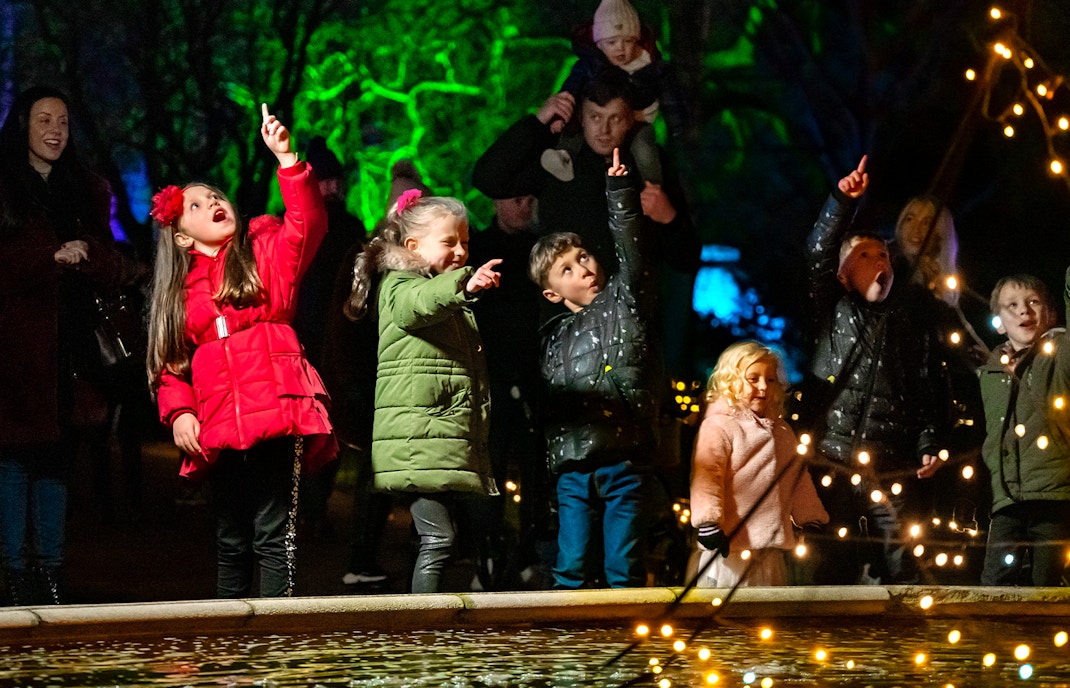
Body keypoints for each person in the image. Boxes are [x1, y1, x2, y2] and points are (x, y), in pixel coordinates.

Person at [146, 104, 336, 599]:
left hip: (278, 407)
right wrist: (181, 412)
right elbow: (170, 366)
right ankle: (228, 645)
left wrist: (287, 158)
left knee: (275, 536)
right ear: (183, 236)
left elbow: (308, 221)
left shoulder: (265, 247)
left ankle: (275, 648)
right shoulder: (178, 296)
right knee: (231, 539)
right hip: (220, 423)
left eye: (215, 195)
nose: (213, 201)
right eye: (196, 204)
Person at [0, 86, 124, 605]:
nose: (55, 130)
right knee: (12, 461)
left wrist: (87, 252)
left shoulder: (87, 189)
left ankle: (49, 572)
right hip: (15, 350)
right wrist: (46, 260)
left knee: (55, 461)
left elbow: (116, 263)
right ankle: (12, 572)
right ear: (22, 126)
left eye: (64, 122)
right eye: (44, 119)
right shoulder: (3, 186)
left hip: (70, 354)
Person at [343, 188, 501, 594]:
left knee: (442, 539)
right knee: (438, 539)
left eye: (465, 242)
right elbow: (420, 304)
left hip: (435, 440)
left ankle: (429, 624)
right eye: (449, 242)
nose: (461, 252)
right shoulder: (403, 284)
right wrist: (464, 286)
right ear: (413, 246)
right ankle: (423, 632)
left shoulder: (437, 288)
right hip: (418, 440)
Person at [797, 155, 945, 585]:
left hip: (890, 464)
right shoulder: (831, 309)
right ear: (842, 275)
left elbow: (927, 388)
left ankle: (908, 644)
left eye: (883, 254)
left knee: (906, 561)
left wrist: (929, 441)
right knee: (829, 562)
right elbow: (818, 250)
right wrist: (842, 201)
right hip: (832, 460)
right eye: (864, 255)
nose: (879, 260)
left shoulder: (911, 322)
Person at [529, 148, 656, 589]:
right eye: (566, 269)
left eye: (582, 257)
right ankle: (571, 644)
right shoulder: (551, 338)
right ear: (551, 293)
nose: (583, 269)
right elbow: (549, 405)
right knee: (572, 564)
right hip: (573, 463)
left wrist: (620, 192)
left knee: (624, 565)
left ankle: (627, 642)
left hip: (622, 452)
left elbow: (631, 248)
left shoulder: (623, 303)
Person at [472, 68, 697, 280]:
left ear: (629, 120)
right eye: (595, 117)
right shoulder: (558, 162)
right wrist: (538, 122)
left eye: (614, 118)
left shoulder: (649, 167)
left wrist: (670, 220)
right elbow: (488, 179)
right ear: (581, 117)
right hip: (566, 314)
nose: (604, 130)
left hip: (630, 314)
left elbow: (685, 260)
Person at [464, 194, 553, 590]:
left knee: (532, 468)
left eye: (531, 199)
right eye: (517, 199)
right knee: (490, 469)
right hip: (491, 375)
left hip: (530, 374)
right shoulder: (481, 248)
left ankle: (526, 553)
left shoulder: (537, 248)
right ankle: (487, 555)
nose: (526, 207)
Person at [690, 341, 828, 588]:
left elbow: (797, 479)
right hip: (729, 552)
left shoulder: (782, 432)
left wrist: (810, 518)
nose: (763, 387)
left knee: (766, 615)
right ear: (732, 381)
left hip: (769, 552)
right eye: (753, 379)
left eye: (770, 380)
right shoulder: (719, 426)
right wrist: (708, 521)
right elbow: (707, 476)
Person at [292, 136, 368, 545]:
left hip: (327, 342)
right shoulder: (308, 224)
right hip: (308, 341)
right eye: (325, 181)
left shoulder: (343, 227)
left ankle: (311, 511)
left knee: (323, 433)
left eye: (335, 180)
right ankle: (308, 511)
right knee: (315, 432)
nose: (332, 188)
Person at [978, 272, 1070, 586]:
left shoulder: (1059, 354)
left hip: (1053, 498)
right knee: (994, 585)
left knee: (1048, 586)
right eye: (1012, 305)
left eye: (1033, 303)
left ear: (1052, 313)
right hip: (1007, 501)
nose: (1024, 311)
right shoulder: (991, 371)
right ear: (999, 323)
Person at [555, 0, 688, 185]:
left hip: (638, 119)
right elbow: (570, 90)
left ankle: (653, 186)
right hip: (596, 122)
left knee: (645, 148)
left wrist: (678, 125)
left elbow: (670, 96)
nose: (620, 48)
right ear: (599, 44)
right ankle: (561, 161)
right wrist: (560, 116)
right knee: (573, 133)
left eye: (628, 41)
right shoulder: (590, 65)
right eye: (612, 42)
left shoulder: (650, 67)